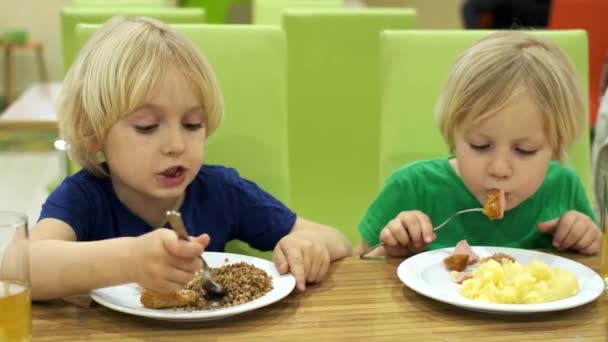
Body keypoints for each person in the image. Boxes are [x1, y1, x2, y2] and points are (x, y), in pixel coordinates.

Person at [30, 16, 351, 300]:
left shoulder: (223, 191)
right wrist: (129, 260)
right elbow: (23, 269)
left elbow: (336, 240)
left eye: (192, 124)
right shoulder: (83, 197)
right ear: (94, 133)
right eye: (147, 126)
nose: (175, 145)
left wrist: (306, 245)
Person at [357, 31, 601, 258]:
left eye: (524, 150)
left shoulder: (563, 188)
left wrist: (587, 241)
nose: (499, 169)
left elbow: (595, 269)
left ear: (556, 150)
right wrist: (391, 251)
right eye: (480, 145)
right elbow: (358, 265)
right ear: (453, 135)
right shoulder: (412, 188)